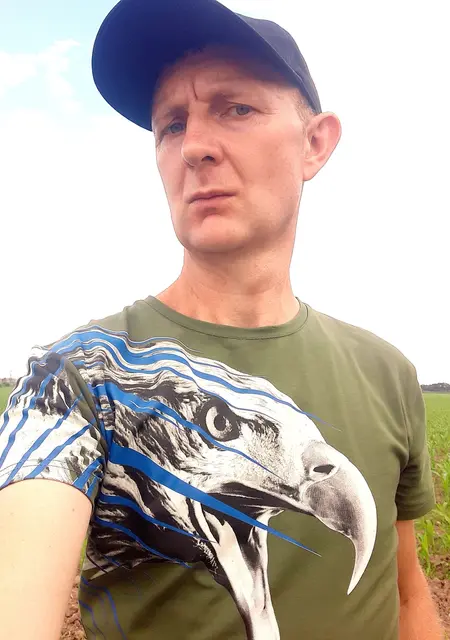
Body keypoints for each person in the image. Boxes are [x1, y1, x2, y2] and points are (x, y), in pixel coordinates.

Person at [0, 0, 443, 638]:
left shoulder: (386, 371)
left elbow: (406, 596)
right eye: (171, 125)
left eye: (236, 108)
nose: (196, 147)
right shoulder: (74, 376)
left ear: (315, 143)